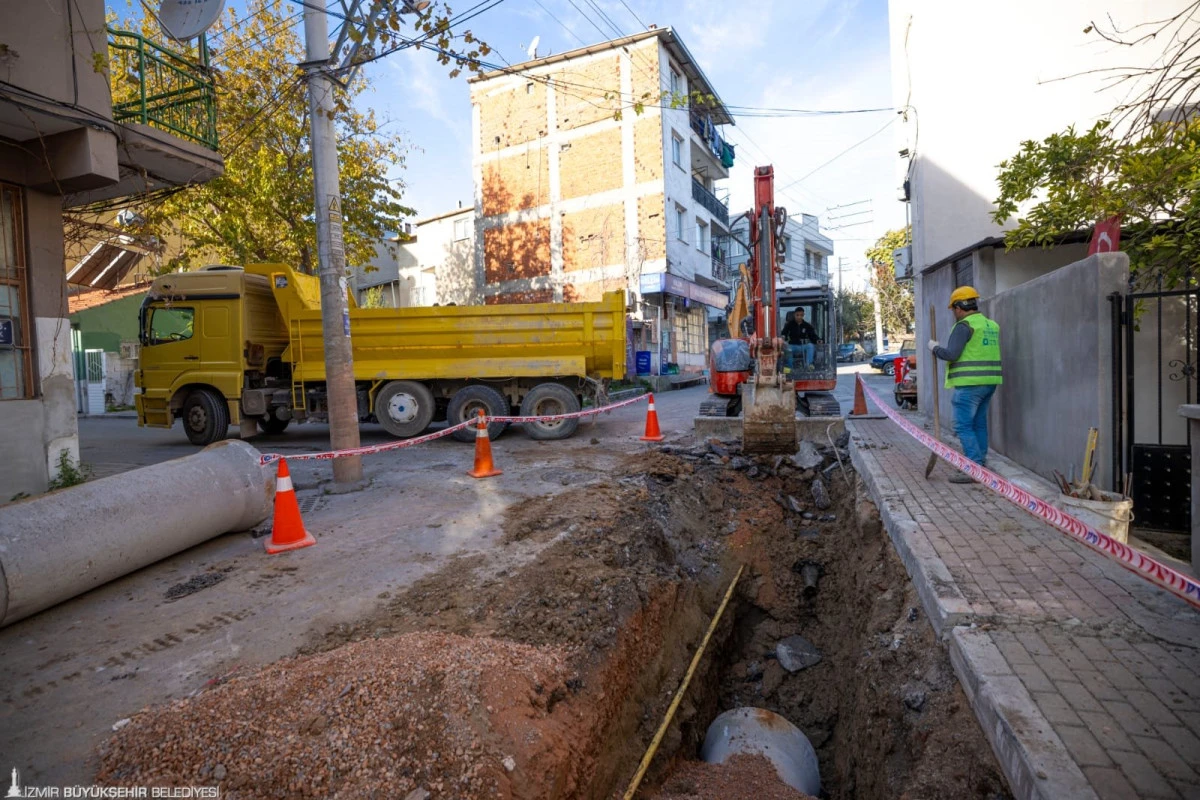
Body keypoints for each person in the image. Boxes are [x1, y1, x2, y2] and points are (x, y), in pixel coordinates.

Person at [927, 286, 1002, 484]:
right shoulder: (990, 325)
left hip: (970, 384)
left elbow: (952, 354)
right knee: (978, 423)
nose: (954, 313)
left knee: (962, 425)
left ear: (959, 307)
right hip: (990, 383)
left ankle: (973, 468)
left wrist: (934, 348)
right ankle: (980, 463)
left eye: (954, 309)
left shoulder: (964, 326)